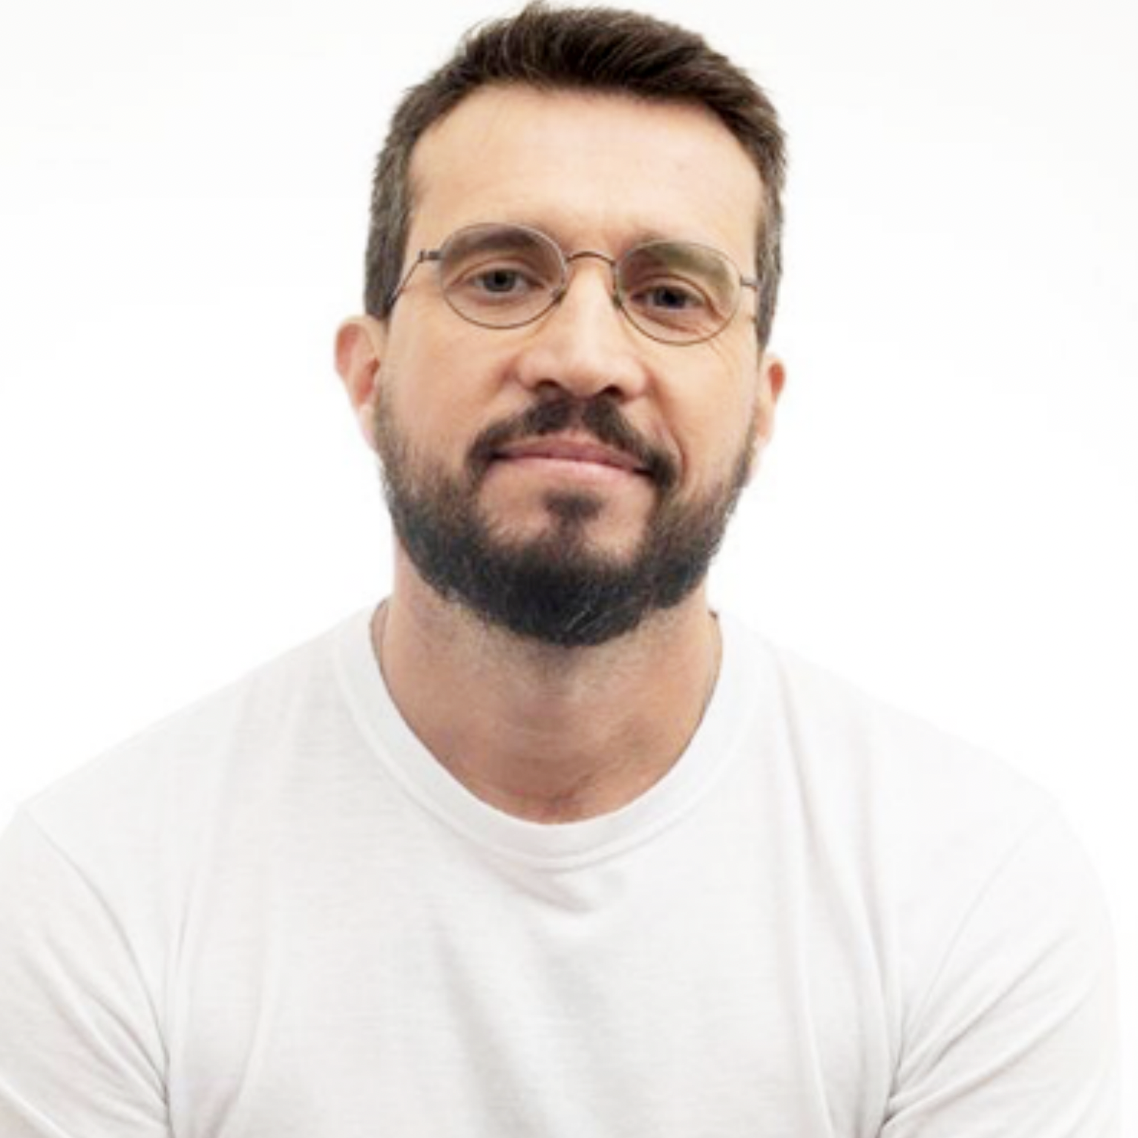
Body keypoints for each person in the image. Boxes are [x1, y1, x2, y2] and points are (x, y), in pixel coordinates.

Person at [0, 4, 1118, 1135]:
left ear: (758, 409)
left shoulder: (969, 888)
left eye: (670, 295)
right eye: (500, 277)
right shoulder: (98, 891)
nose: (584, 356)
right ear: (369, 376)